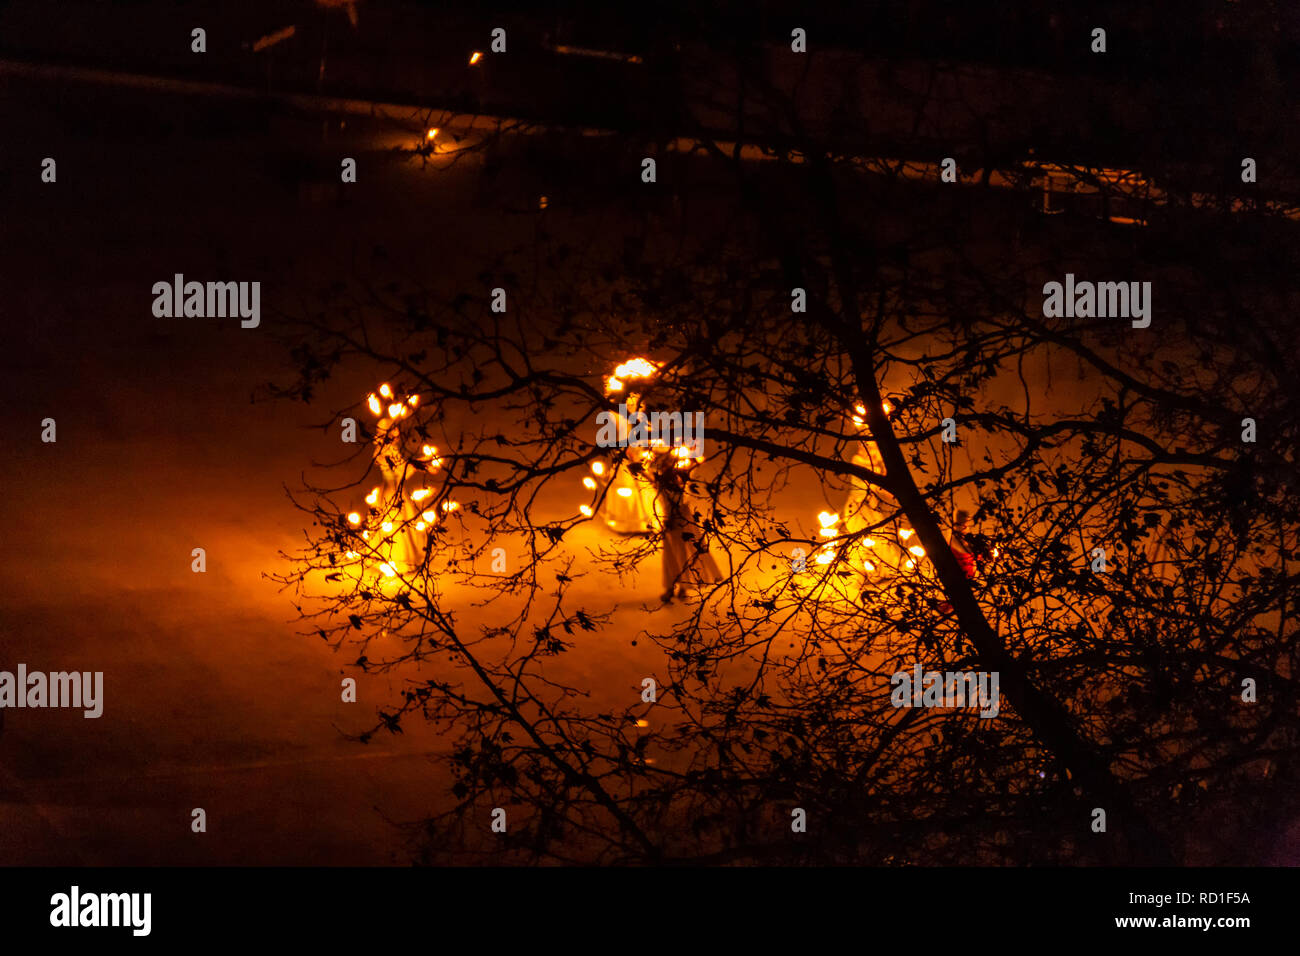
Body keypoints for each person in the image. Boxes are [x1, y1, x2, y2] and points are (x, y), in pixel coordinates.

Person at [653, 448, 723, 602]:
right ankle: (673, 587)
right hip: (671, 519)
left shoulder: (679, 480)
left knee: (683, 552)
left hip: (680, 518)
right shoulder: (662, 483)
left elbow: (693, 469)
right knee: (673, 554)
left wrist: (695, 459)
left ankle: (680, 587)